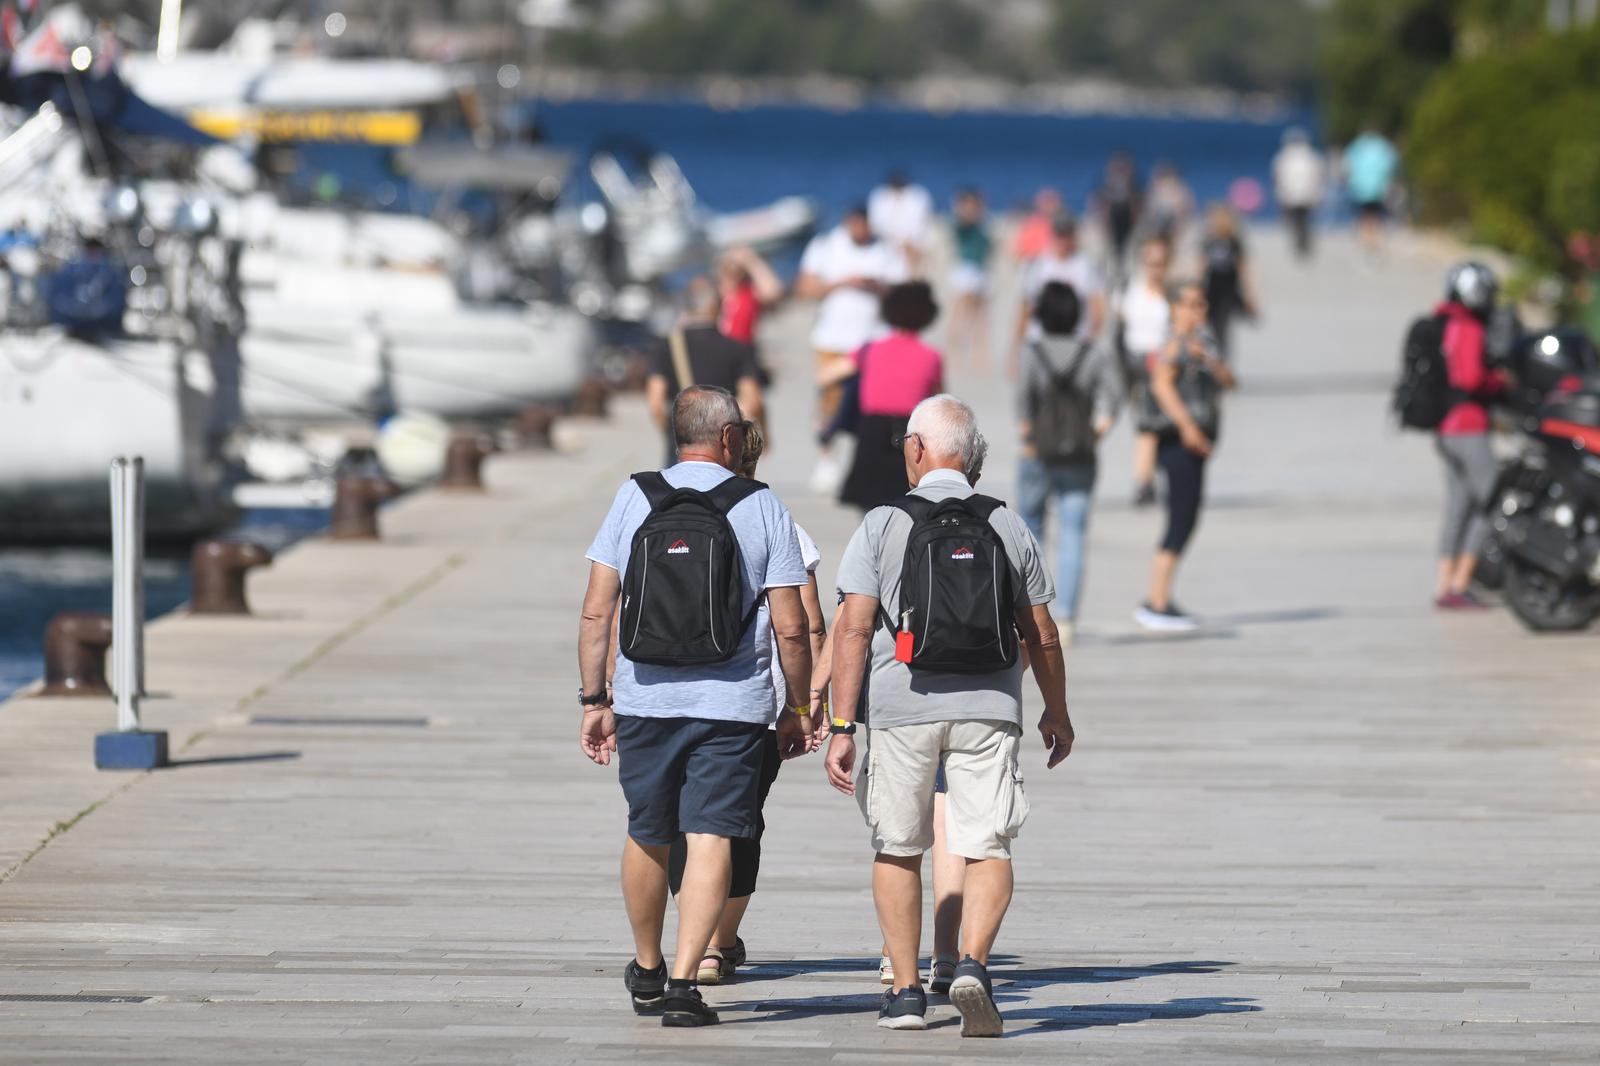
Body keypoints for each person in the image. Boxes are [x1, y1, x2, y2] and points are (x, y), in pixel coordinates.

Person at [826, 394, 1076, 1037]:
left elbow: (853, 629)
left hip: (902, 709)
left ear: (916, 449)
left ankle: (906, 992)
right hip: (989, 708)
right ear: (974, 460)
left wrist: (842, 724)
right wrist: (1057, 711)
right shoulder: (1006, 523)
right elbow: (1042, 633)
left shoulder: (883, 523)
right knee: (986, 843)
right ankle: (972, 962)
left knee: (899, 846)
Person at [578, 386, 815, 1028]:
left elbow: (599, 607)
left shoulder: (636, 495)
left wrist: (595, 698)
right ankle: (686, 983)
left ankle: (648, 967)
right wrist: (797, 706)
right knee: (711, 833)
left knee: (647, 830)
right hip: (733, 706)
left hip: (645, 697)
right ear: (732, 439)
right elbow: (792, 626)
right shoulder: (761, 504)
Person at [662, 421, 831, 985]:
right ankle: (717, 943)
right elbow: (807, 625)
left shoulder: (658, 507)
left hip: (662, 692)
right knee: (738, 821)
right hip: (752, 700)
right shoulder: (776, 518)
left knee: (684, 823)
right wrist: (810, 703)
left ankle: (695, 941)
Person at [1017, 282, 1124, 643]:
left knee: (1030, 533)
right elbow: (1115, 397)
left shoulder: (1032, 353)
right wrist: (1098, 432)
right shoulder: (1093, 354)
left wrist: (1028, 438)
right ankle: (1066, 621)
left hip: (1039, 452)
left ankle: (1031, 612)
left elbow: (1023, 403)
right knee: (1074, 532)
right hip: (1080, 452)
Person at [1136, 281, 1237, 631]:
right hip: (1178, 444)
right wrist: (1188, 427)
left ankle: (1163, 598)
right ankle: (1155, 601)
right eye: (1190, 304)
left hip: (1198, 445)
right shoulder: (1172, 345)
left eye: (1201, 304)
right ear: (1175, 308)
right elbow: (1161, 385)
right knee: (1180, 518)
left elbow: (1229, 380)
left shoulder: (1204, 343)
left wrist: (1209, 360)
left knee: (1189, 517)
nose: (1197, 311)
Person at [796, 206, 909, 491]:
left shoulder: (885, 251)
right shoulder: (826, 246)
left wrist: (875, 286)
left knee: (870, 405)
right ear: (848, 223)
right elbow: (805, 288)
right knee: (829, 401)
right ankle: (826, 460)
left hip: (873, 340)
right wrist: (843, 282)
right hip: (832, 339)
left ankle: (862, 462)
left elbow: (903, 293)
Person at [823, 281, 945, 512]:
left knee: (870, 512)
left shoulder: (870, 350)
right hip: (910, 436)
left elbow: (826, 375)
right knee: (907, 509)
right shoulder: (931, 357)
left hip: (871, 433)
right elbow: (937, 403)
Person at [1433, 262, 1504, 609]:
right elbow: (1471, 378)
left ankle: (1444, 584)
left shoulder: (1448, 322)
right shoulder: (1469, 327)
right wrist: (1501, 382)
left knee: (1458, 507)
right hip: (1469, 427)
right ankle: (1461, 582)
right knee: (1494, 501)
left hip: (1446, 428)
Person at [646, 278, 765, 467]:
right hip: (722, 450)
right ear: (715, 306)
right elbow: (752, 402)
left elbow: (656, 404)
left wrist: (674, 435)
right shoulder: (737, 348)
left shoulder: (666, 346)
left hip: (682, 450)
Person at [1013, 215, 1106, 377]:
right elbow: (1025, 308)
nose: (1063, 240)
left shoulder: (1086, 266)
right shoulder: (1037, 265)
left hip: (1076, 344)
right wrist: (1015, 351)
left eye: (1067, 235)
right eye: (1059, 235)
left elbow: (1097, 307)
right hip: (1040, 343)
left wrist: (1092, 340)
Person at [1118, 236, 1173, 506]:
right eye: (1151, 263)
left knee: (1162, 425)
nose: (1156, 269)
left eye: (1161, 263)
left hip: (1167, 366)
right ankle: (1144, 481)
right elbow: (1119, 328)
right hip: (1137, 365)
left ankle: (1151, 478)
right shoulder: (1132, 291)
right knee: (1146, 425)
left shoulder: (1172, 295)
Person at [1198, 203, 1259, 363]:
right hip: (1210, 290)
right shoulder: (1208, 242)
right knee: (1206, 326)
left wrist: (1249, 295)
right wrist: (1197, 287)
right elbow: (1201, 266)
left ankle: (1221, 359)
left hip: (1228, 292)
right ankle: (1209, 357)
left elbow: (1243, 269)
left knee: (1222, 327)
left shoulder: (1234, 243)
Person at [947, 187, 993, 370]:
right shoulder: (963, 224)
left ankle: (977, 354)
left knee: (981, 315)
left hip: (981, 270)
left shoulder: (984, 224)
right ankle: (956, 352)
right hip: (965, 269)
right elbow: (959, 223)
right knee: (961, 311)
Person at [1344, 128, 1400, 256]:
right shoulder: (1383, 146)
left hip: (1361, 188)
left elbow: (1348, 163)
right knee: (1375, 214)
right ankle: (1374, 238)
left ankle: (1367, 238)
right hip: (1378, 187)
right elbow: (1392, 163)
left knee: (1365, 214)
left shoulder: (1358, 146)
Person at [1273, 127, 1326, 262]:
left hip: (1291, 195)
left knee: (1296, 220)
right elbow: (1319, 176)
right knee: (1305, 220)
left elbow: (1278, 178)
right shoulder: (1313, 157)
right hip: (1308, 194)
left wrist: (1280, 194)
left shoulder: (1283, 157)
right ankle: (1304, 242)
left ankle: (1300, 242)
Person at [869, 170, 935, 276]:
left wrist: (912, 245)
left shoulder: (918, 196)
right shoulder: (880, 197)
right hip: (890, 248)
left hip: (915, 248)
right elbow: (877, 228)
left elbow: (923, 225)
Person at [716, 246, 784, 345]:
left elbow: (772, 291)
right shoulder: (720, 293)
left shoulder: (748, 293)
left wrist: (751, 262)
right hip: (721, 348)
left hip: (743, 348)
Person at [1094, 151, 1142, 283]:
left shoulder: (1134, 189)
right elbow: (1101, 210)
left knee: (1128, 265)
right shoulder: (1106, 189)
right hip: (1111, 235)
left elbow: (1137, 211)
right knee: (1110, 266)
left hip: (1129, 234)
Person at [1144, 162, 1195, 251]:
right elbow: (1150, 213)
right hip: (1159, 231)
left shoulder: (1181, 191)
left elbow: (1186, 212)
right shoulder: (1154, 191)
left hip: (1178, 232)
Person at [1011, 187, 1063, 265]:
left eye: (1051, 201)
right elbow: (1021, 250)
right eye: (1046, 202)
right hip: (1035, 262)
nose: (1049, 206)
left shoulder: (1063, 224)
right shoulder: (1031, 224)